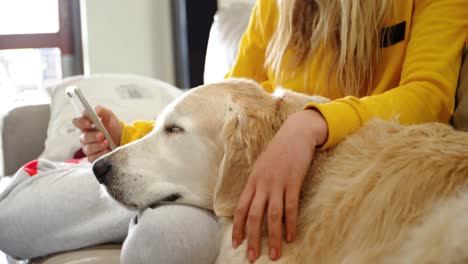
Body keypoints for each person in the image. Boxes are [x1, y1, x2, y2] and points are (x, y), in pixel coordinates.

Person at [1, 0, 466, 263]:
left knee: (171, 237)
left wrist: (314, 124)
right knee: (12, 218)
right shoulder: (277, 5)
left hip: (332, 171)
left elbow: (428, 96)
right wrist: (133, 132)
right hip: (235, 168)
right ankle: (57, 178)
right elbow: (219, 101)